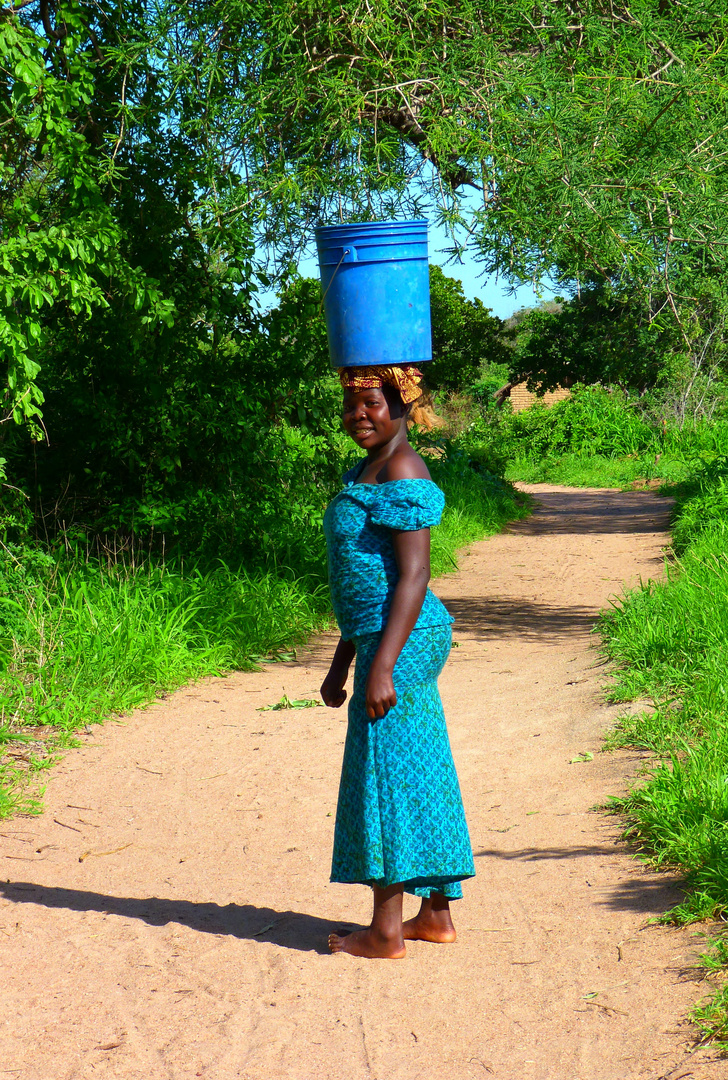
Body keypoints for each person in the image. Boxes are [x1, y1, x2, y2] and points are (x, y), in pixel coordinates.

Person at [321, 364, 475, 959]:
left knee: (382, 772)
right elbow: (366, 584)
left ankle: (385, 932)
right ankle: (435, 916)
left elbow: (414, 575)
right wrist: (343, 662)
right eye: (352, 406)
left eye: (374, 404)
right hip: (385, 635)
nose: (360, 415)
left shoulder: (403, 469)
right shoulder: (364, 469)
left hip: (403, 641)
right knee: (418, 767)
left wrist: (379, 667)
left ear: (403, 407)